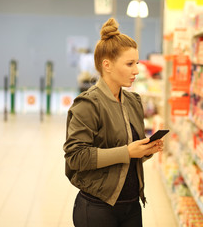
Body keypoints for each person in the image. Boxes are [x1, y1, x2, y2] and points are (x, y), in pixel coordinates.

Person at [63, 18, 164, 227]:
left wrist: (145, 150)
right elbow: (76, 156)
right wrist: (127, 152)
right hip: (97, 208)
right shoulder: (88, 104)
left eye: (137, 62)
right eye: (130, 64)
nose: (137, 70)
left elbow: (125, 157)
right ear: (106, 65)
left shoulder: (133, 102)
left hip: (132, 206)